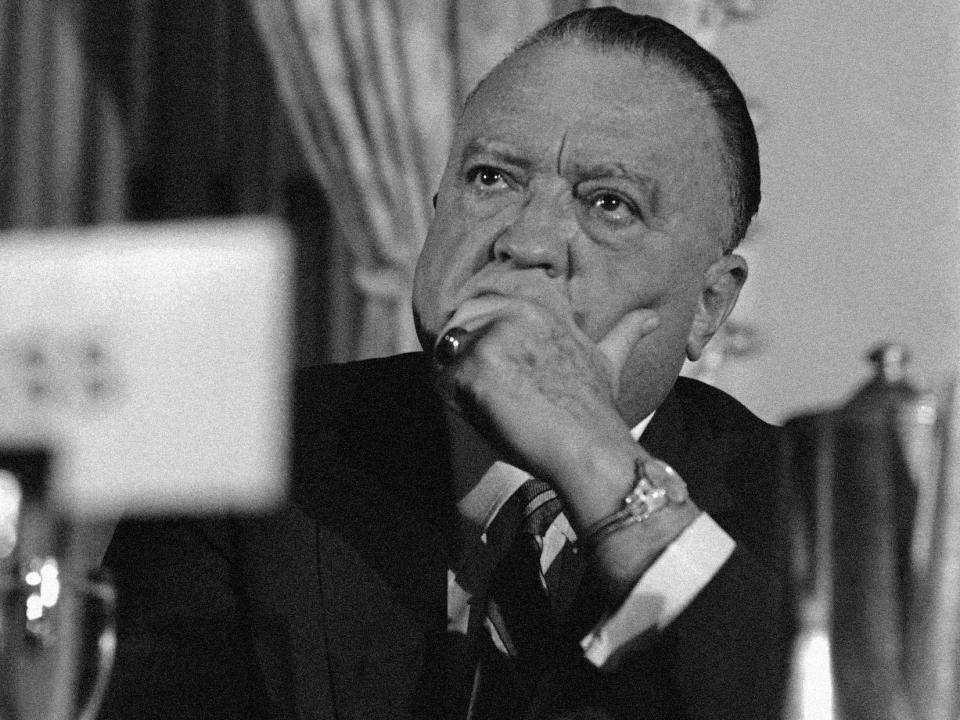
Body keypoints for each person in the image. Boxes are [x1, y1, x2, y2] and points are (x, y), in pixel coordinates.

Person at [100, 7, 788, 720]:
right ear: (436, 212)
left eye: (610, 204)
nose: (526, 240)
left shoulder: (807, 511)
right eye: (490, 178)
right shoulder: (240, 459)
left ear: (709, 305)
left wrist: (603, 469)